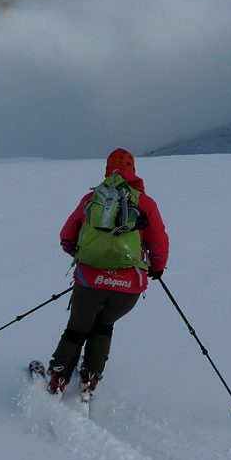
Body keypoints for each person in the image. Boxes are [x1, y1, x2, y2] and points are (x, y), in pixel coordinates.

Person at [48, 148, 169, 398]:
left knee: (77, 328)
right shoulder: (145, 203)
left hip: (89, 281)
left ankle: (58, 377)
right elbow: (158, 243)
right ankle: (90, 379)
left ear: (107, 170)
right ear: (134, 171)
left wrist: (86, 260)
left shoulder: (91, 200)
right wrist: (156, 269)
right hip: (128, 288)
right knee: (103, 325)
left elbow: (66, 238)